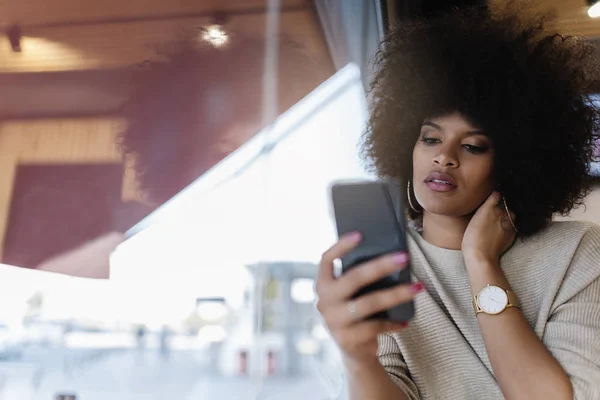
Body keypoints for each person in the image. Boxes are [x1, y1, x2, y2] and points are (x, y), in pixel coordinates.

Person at [315, 5, 600, 400]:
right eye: (430, 138)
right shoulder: (389, 264)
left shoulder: (576, 253)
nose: (444, 156)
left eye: (472, 146)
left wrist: (481, 263)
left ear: (514, 164)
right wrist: (359, 360)